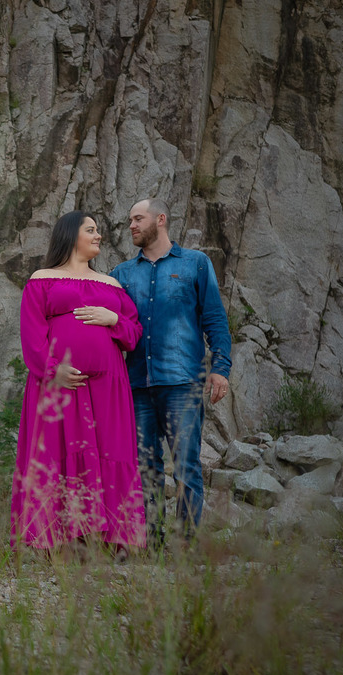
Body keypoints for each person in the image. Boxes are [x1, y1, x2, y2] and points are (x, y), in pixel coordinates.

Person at [10, 211, 146, 561]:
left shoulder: (112, 286)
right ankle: (48, 543)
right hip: (58, 384)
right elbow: (31, 334)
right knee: (53, 454)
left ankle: (111, 541)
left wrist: (113, 318)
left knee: (111, 452)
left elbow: (133, 333)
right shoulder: (43, 279)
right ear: (71, 236)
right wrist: (52, 369)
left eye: (98, 230)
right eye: (91, 230)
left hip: (109, 386)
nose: (98, 236)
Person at [110, 198, 232, 543]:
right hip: (135, 387)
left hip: (182, 384)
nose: (131, 226)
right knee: (143, 468)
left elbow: (214, 320)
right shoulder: (120, 274)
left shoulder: (195, 264)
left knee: (186, 468)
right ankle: (150, 542)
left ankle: (185, 545)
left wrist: (220, 368)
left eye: (138, 218)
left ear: (160, 219)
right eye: (130, 220)